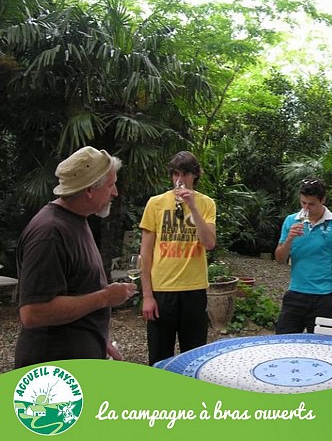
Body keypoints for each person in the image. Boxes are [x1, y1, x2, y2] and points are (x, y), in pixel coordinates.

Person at [14, 146, 136, 368]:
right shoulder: (49, 233)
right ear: (89, 189)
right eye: (111, 185)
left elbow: (77, 288)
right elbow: (33, 313)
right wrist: (105, 297)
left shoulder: (76, 220)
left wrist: (99, 341)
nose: (115, 192)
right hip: (52, 376)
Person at [139, 151, 216, 365]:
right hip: (162, 290)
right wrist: (147, 295)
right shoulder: (155, 203)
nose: (179, 180)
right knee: (159, 356)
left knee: (194, 357)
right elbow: (145, 253)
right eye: (174, 174)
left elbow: (209, 243)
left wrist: (192, 206)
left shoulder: (206, 204)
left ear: (195, 176)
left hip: (194, 289)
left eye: (184, 174)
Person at [274, 178, 332, 334]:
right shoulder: (291, 220)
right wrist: (289, 239)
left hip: (323, 297)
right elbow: (279, 259)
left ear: (323, 200)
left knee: (321, 349)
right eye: (303, 203)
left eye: (311, 204)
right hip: (295, 293)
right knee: (282, 345)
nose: (306, 208)